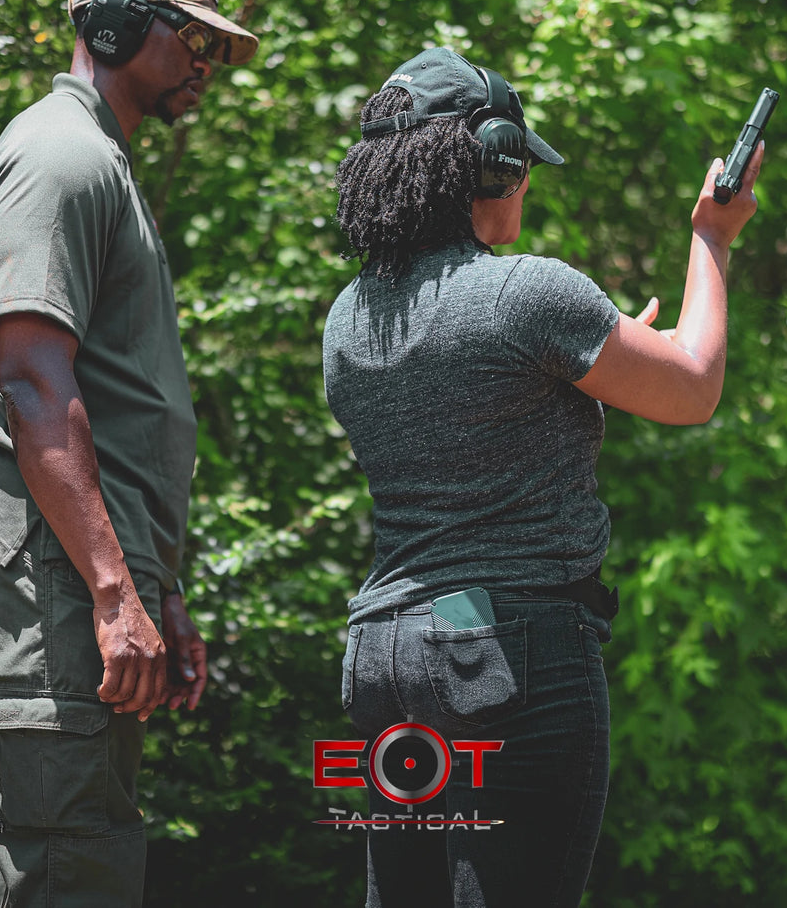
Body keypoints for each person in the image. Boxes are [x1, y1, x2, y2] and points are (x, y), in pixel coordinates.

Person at [322, 47, 764, 908]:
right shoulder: (527, 295)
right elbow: (693, 386)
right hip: (509, 650)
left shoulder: (348, 318)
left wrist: (585, 364)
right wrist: (708, 237)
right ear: (493, 162)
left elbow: (471, 423)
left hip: (383, 656)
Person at [0, 0, 257, 904]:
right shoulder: (62, 158)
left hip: (83, 568)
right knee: (66, 856)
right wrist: (116, 594)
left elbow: (111, 407)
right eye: (190, 35)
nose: (205, 60)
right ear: (114, 24)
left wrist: (157, 592)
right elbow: (33, 384)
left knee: (86, 841)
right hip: (53, 567)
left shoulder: (96, 159)